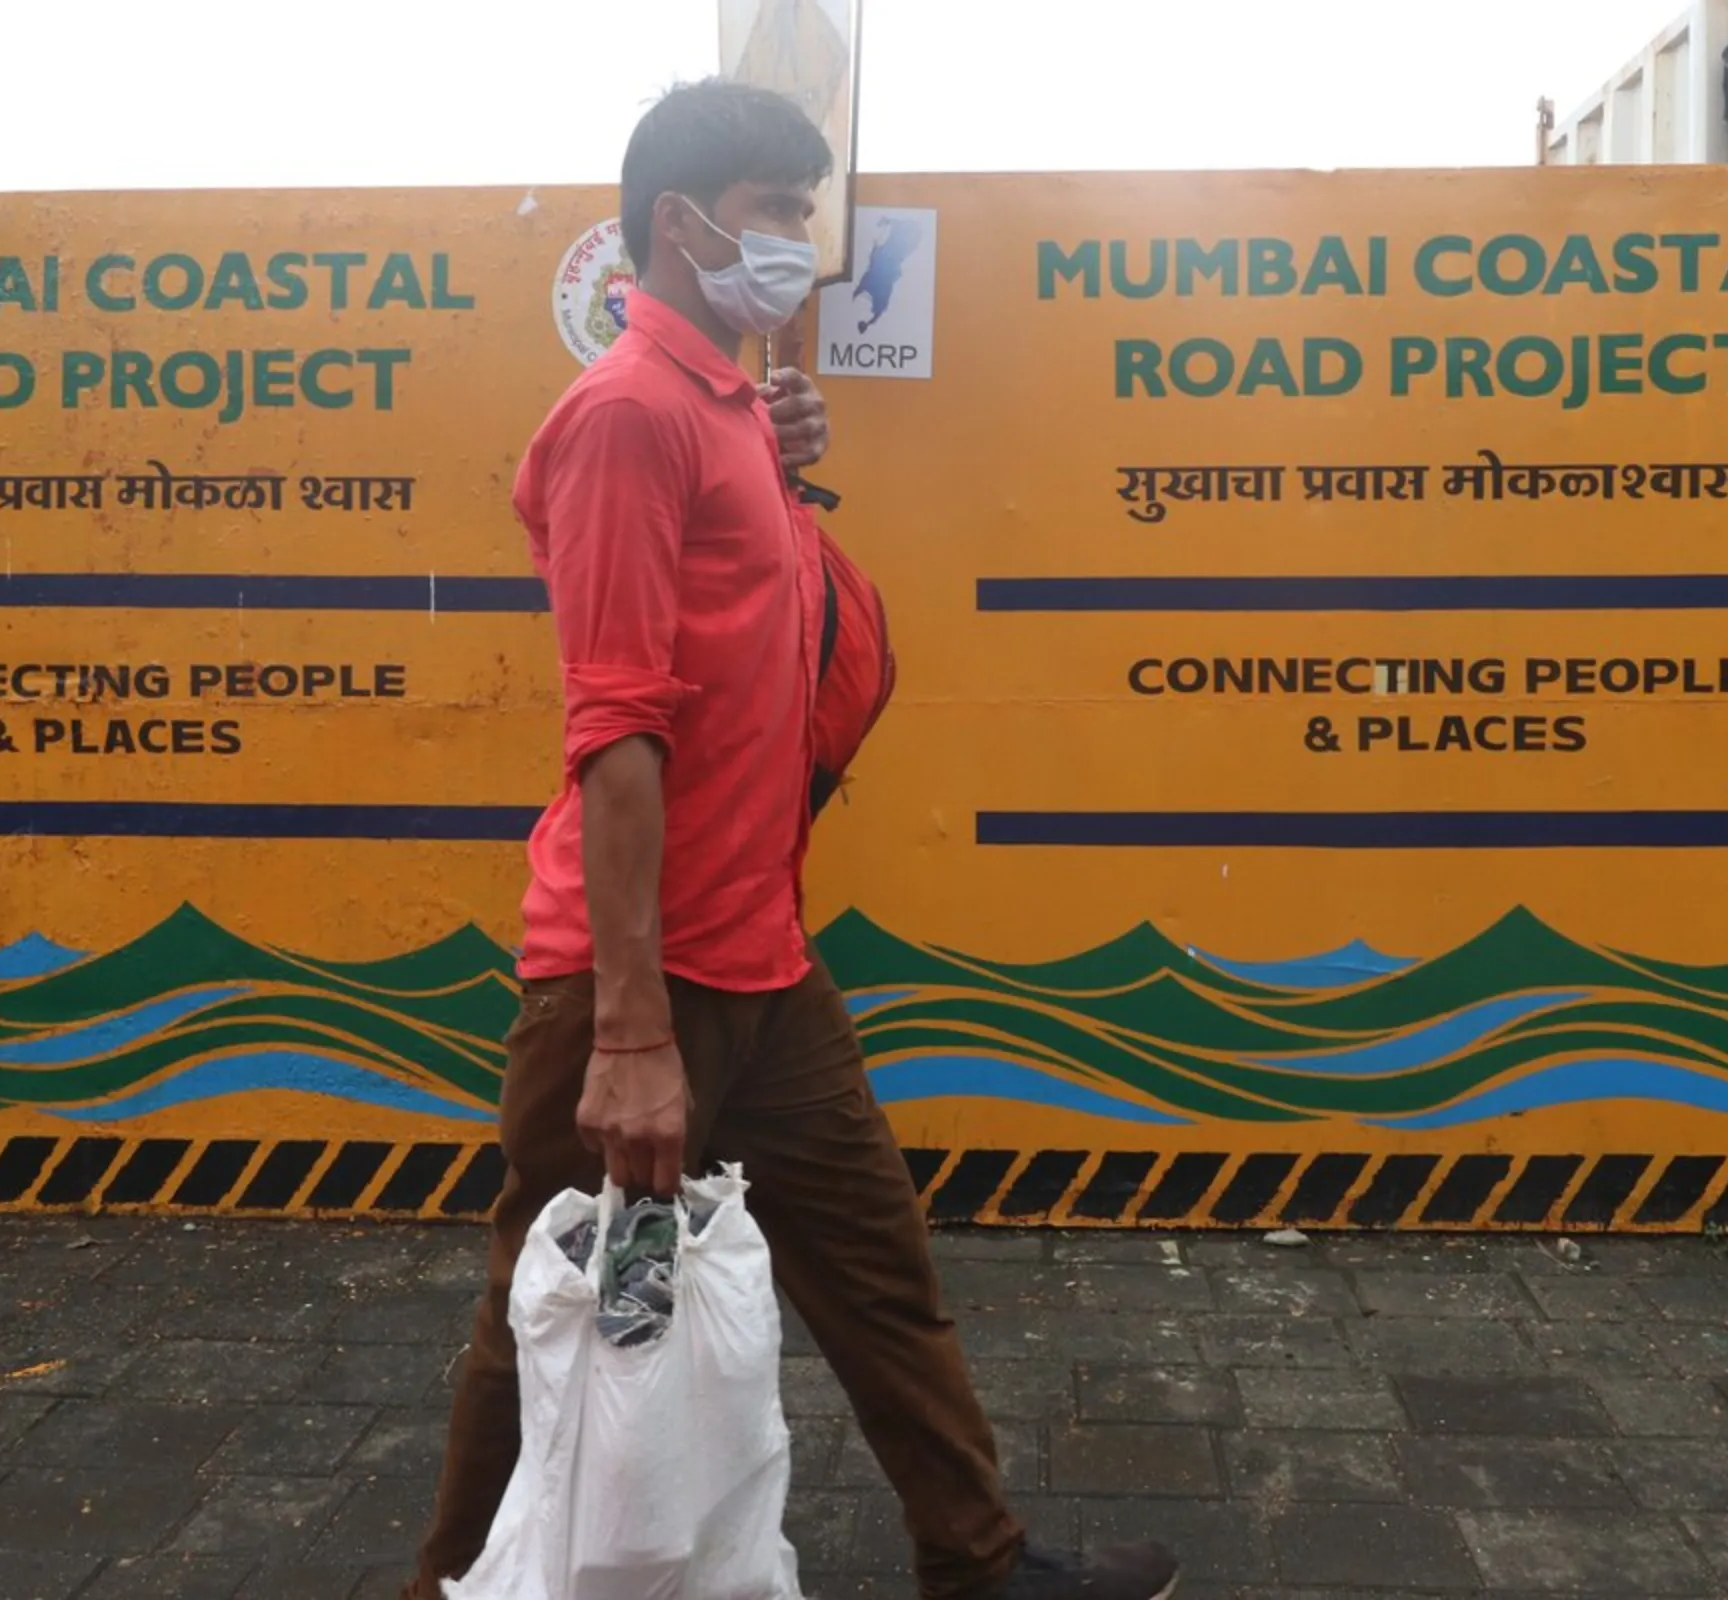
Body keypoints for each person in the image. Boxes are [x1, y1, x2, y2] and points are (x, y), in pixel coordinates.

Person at [403, 79, 1181, 1600]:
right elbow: (615, 727)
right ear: (684, 228)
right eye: (777, 217)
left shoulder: (724, 411)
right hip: (633, 984)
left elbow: (790, 634)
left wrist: (774, 444)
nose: (803, 252)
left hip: (760, 959)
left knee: (880, 1277)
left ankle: (979, 1561)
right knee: (560, 1305)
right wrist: (630, 1033)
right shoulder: (625, 418)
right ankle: (451, 1583)